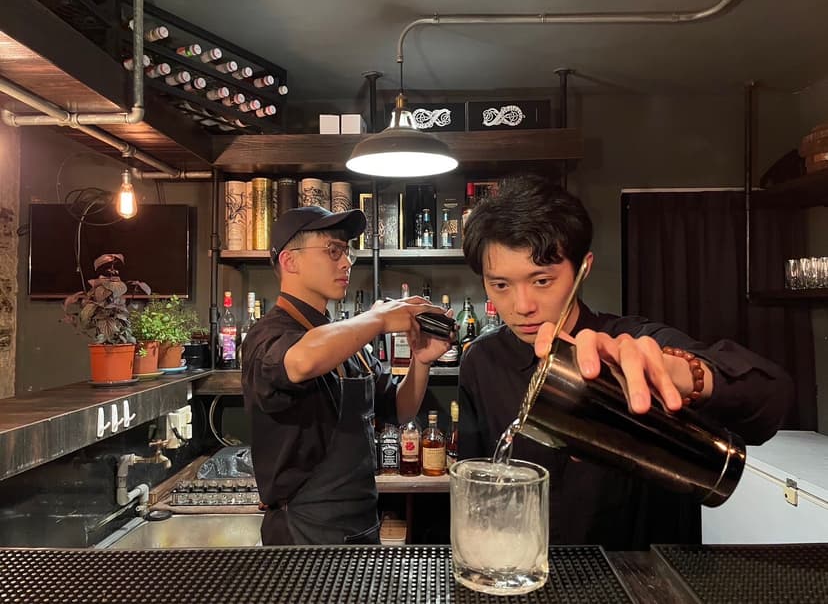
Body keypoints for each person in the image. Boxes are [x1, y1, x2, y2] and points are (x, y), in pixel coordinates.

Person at [458, 175, 794, 550]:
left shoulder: (632, 344)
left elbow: (772, 397)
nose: (521, 306)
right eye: (501, 285)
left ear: (582, 270)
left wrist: (687, 374)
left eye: (542, 281)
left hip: (638, 574)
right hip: (527, 573)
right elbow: (478, 484)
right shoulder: (481, 362)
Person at [242, 205, 450, 545]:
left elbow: (398, 410)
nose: (346, 262)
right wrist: (379, 319)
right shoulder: (266, 335)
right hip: (304, 533)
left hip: (361, 523)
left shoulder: (345, 339)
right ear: (289, 261)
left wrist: (421, 362)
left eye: (347, 252)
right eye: (332, 250)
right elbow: (302, 361)